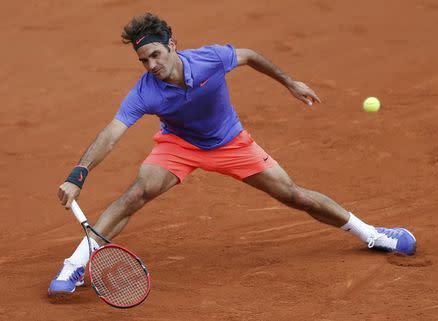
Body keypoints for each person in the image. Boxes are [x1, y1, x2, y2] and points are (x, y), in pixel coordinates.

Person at [48, 13, 416, 296]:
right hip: (179, 147)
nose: (152, 66)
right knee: (135, 194)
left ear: (173, 44)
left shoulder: (211, 59)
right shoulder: (146, 90)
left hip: (230, 143)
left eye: (156, 55)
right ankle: (75, 265)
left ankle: (373, 235)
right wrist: (78, 174)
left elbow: (250, 56)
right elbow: (111, 133)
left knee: (294, 195)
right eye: (143, 60)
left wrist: (289, 82)